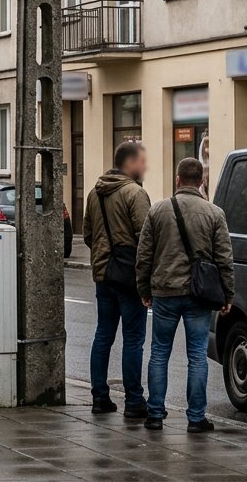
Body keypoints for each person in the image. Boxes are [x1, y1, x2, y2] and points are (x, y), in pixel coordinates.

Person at [135, 157, 234, 432]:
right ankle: (196, 418)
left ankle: (154, 414)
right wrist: (227, 294)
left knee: (159, 353)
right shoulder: (214, 213)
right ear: (201, 181)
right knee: (197, 356)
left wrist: (144, 289)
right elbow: (224, 258)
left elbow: (143, 256)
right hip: (198, 294)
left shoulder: (158, 211)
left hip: (164, 291)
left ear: (178, 180)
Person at [84, 140, 151, 417]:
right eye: (142, 161)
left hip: (103, 275)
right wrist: (146, 279)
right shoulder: (135, 194)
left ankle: (100, 397)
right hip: (129, 277)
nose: (145, 166)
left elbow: (88, 234)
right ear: (130, 162)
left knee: (103, 334)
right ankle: (134, 401)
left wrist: (104, 257)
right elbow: (147, 239)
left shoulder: (94, 193)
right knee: (133, 339)